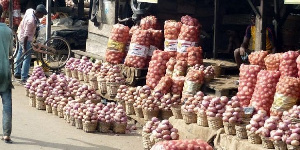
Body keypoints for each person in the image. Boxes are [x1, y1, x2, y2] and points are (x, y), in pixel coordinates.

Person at [14, 4, 47, 84]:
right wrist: (25, 47)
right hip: (25, 39)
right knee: (27, 58)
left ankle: (17, 72)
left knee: (19, 53)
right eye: (42, 14)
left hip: (20, 34)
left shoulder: (30, 10)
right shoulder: (31, 21)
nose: (42, 16)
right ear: (38, 13)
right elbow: (26, 36)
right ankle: (24, 78)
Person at [0, 4, 13, 143]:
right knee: (7, 103)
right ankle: (6, 134)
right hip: (4, 71)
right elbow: (10, 52)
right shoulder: (8, 31)